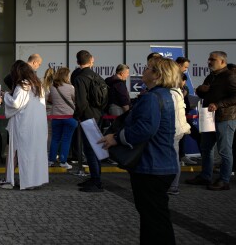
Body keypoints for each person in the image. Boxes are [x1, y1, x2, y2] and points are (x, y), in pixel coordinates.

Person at [99, 57, 179, 244]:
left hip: (152, 165)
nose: (143, 71)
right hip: (160, 163)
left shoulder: (152, 98)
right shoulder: (164, 95)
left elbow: (145, 129)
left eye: (148, 68)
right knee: (155, 218)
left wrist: (116, 138)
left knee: (154, 220)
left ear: (157, 75)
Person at [186, 51, 236, 190]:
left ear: (222, 61)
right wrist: (201, 90)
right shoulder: (211, 76)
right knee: (206, 148)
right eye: (209, 59)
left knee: (224, 151)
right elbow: (204, 93)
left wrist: (219, 104)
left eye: (212, 59)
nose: (209, 61)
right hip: (209, 117)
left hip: (225, 118)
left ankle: (224, 180)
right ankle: (205, 176)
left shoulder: (230, 76)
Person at [0, 60, 48, 190]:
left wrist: (5, 95)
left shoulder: (22, 85)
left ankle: (9, 180)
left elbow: (16, 104)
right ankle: (32, 181)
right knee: (33, 153)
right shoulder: (38, 85)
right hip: (38, 125)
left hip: (24, 125)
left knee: (16, 152)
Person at [71, 50, 106, 192]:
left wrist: (77, 115)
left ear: (78, 62)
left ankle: (96, 181)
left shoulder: (80, 78)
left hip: (87, 116)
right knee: (95, 148)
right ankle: (95, 177)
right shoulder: (96, 76)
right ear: (91, 60)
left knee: (90, 149)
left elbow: (81, 102)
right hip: (98, 114)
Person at [47, 67, 77, 169]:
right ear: (66, 76)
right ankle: (63, 161)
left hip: (55, 117)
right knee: (66, 140)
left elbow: (50, 99)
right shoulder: (71, 88)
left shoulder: (52, 87)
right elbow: (75, 99)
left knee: (55, 139)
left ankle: (51, 161)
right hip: (69, 117)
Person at [167, 69, 190, 196]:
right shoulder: (177, 92)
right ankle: (173, 185)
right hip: (175, 129)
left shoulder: (172, 93)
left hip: (173, 130)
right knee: (173, 157)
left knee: (173, 158)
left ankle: (174, 186)